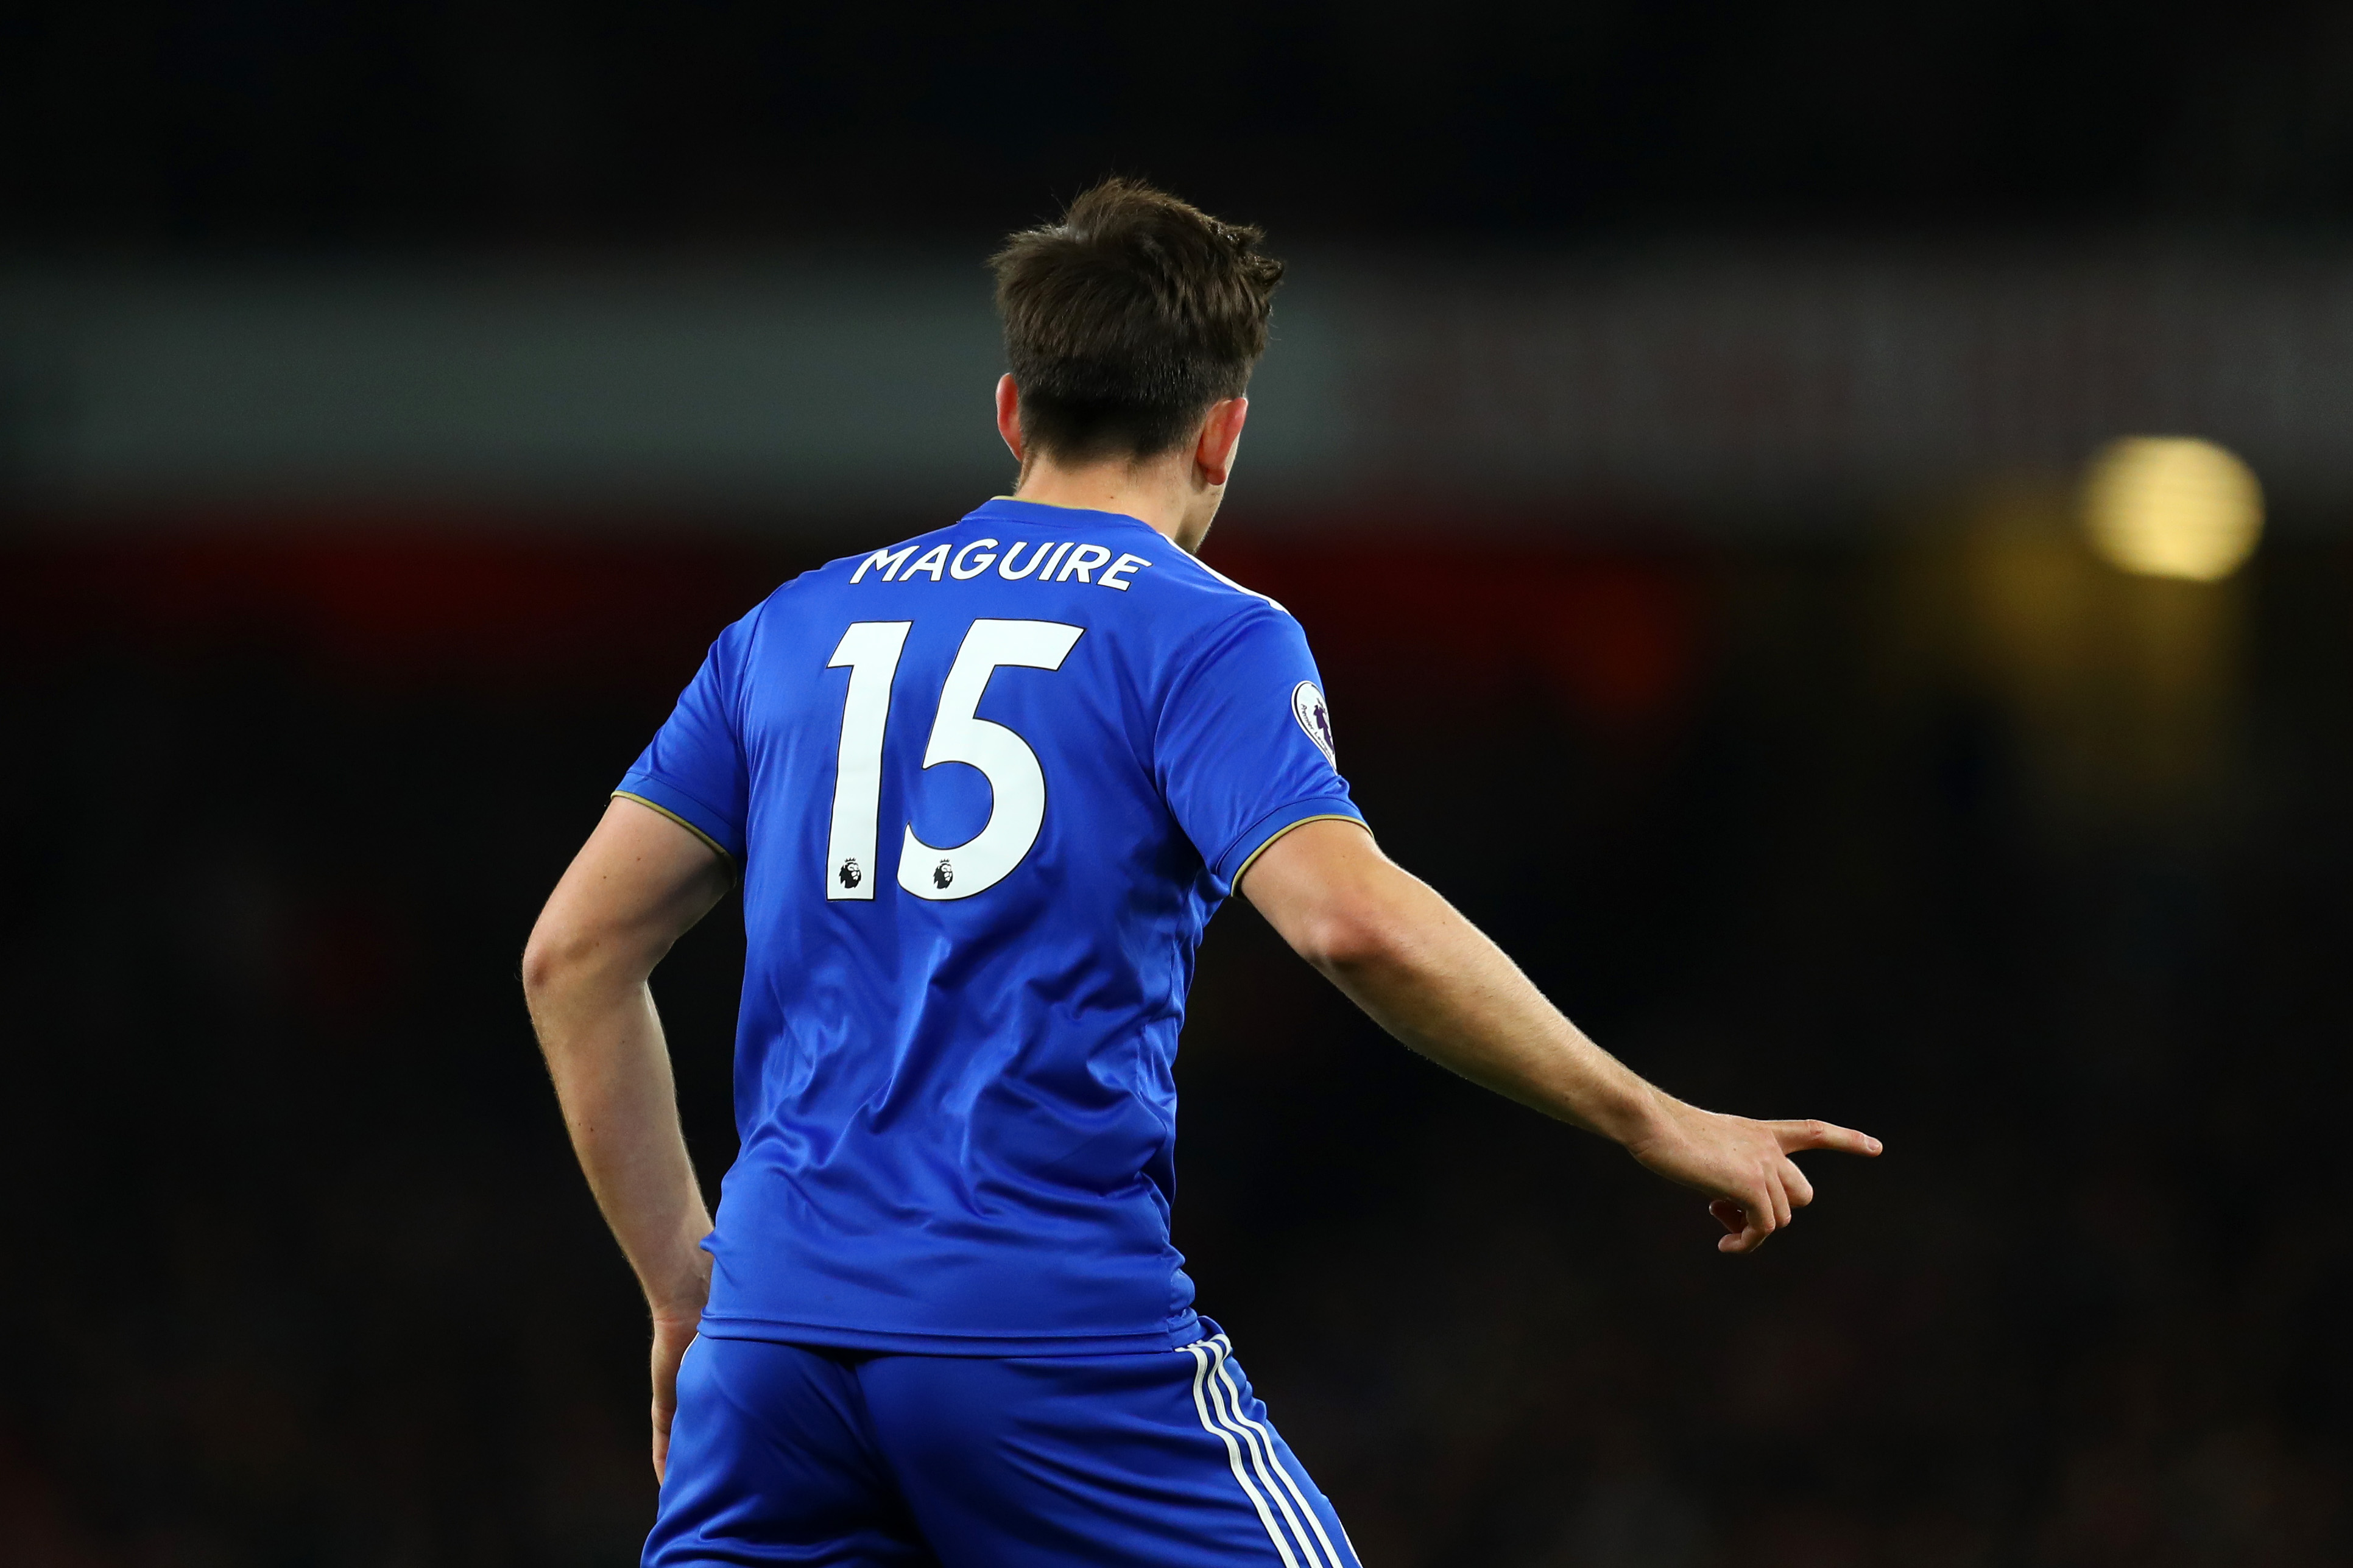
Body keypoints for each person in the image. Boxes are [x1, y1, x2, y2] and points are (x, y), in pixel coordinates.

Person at [521, 178, 1880, 1568]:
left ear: (1011, 410)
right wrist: (1648, 1115)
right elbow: (1352, 923)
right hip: (1040, 1337)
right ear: (1224, 432)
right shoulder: (1202, 633)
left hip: (771, 1352)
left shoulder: (787, 629)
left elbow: (571, 956)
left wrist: (685, 1283)